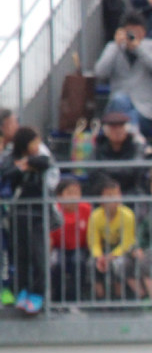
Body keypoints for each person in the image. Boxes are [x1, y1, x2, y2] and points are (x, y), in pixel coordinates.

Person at [2, 127, 53, 314]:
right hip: (18, 214)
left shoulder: (39, 157)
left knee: (38, 256)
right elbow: (6, 171)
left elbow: (46, 162)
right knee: (20, 256)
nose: (37, 145)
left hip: (37, 215)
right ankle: (21, 290)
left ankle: (38, 293)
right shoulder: (10, 158)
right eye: (34, 142)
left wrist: (27, 163)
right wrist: (20, 167)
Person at [96, 11, 152, 135]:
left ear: (144, 33)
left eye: (137, 32)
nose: (133, 35)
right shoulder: (113, 47)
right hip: (118, 108)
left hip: (145, 111)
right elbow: (100, 72)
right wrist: (116, 46)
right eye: (129, 32)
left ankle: (128, 139)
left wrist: (138, 48)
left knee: (128, 116)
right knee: (119, 100)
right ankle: (136, 142)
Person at [50, 178, 90, 303]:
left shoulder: (86, 208)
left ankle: (76, 300)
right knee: (57, 264)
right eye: (69, 193)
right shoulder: (54, 210)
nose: (73, 196)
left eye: (76, 193)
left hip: (79, 248)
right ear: (59, 195)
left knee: (78, 262)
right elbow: (50, 236)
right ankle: (58, 300)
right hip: (58, 248)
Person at [92, 112, 150, 194]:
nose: (118, 131)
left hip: (131, 191)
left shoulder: (136, 147)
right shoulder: (99, 147)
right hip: (106, 191)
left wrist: (108, 170)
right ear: (106, 132)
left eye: (121, 127)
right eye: (113, 128)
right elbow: (94, 171)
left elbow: (134, 170)